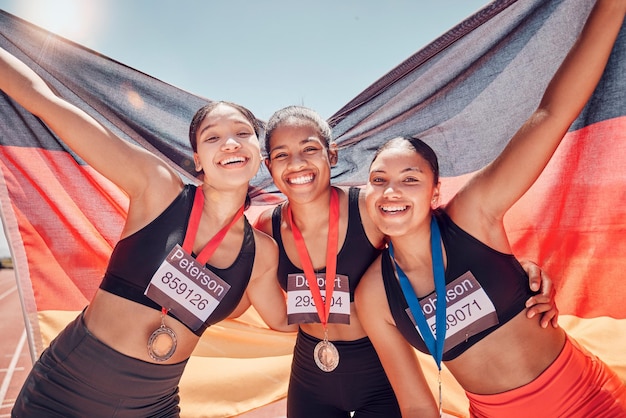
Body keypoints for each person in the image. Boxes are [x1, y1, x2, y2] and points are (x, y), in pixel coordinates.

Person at [355, 1, 626, 417]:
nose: (391, 191)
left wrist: (612, 7)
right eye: (378, 180)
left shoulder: (473, 215)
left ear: (434, 193)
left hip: (590, 402)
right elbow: (415, 404)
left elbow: (552, 115)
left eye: (410, 178)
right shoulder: (374, 296)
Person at [0, 47, 296, 417]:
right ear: (198, 160)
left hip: (153, 407)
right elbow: (44, 102)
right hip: (65, 395)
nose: (231, 143)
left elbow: (286, 320)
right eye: (212, 138)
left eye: (242, 132)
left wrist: (361, 305)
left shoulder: (261, 254)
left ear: (259, 152)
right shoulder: (158, 190)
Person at [255, 106, 559, 418]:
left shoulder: (371, 207)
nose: (297, 162)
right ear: (268, 164)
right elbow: (246, 282)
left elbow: (436, 235)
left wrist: (515, 272)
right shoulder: (266, 228)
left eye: (309, 148)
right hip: (311, 368)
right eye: (281, 154)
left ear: (331, 155)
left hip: (380, 370)